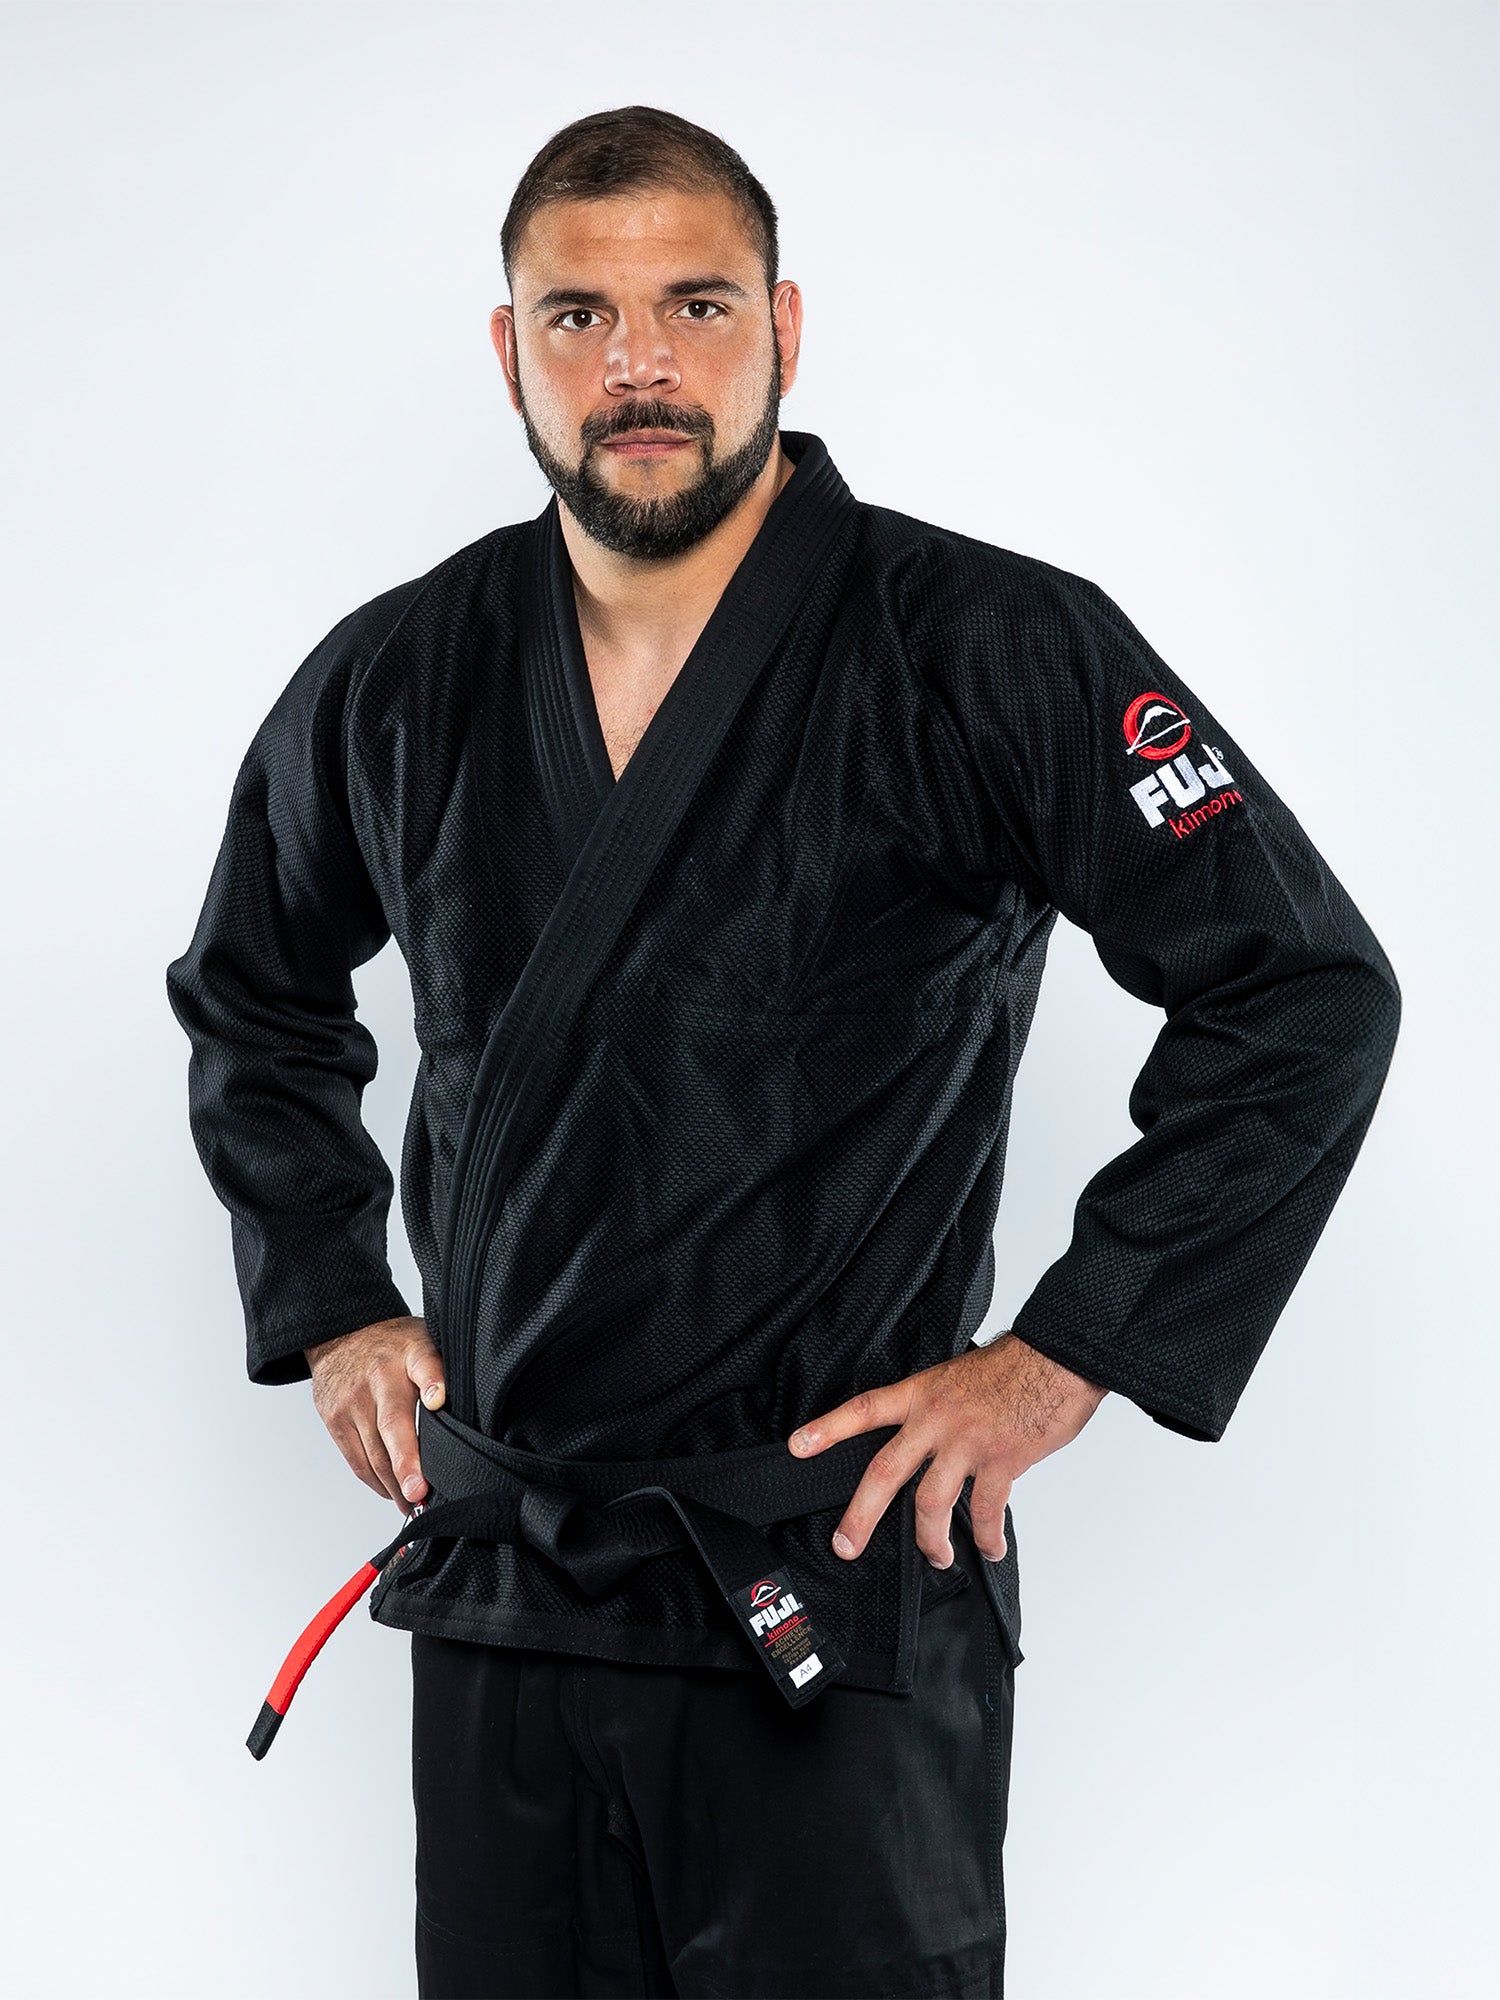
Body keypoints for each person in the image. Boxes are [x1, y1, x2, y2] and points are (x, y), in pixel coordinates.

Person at [165, 104, 1400, 2000]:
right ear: (509, 352)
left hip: (831, 1574)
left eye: (695, 305)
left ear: (786, 328)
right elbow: (251, 990)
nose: (638, 364)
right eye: (577, 317)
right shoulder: (398, 678)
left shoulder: (988, 644)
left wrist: (1070, 1356)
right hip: (515, 1583)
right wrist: (334, 1295)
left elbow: (1303, 990)